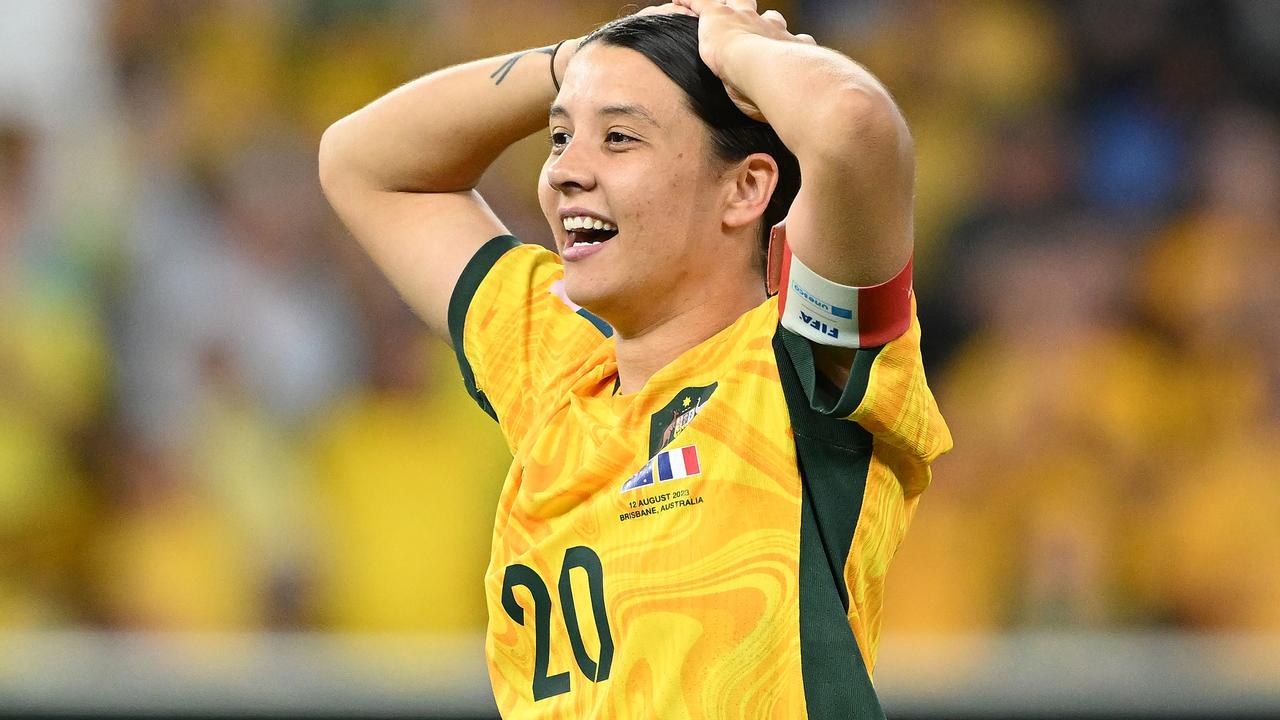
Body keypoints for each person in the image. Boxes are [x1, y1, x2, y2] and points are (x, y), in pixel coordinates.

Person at [319, 1, 951, 717]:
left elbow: (853, 124)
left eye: (619, 139)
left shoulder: (802, 364)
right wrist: (583, 57)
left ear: (745, 188)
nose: (564, 173)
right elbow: (360, 161)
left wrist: (735, 44)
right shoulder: (554, 371)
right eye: (560, 138)